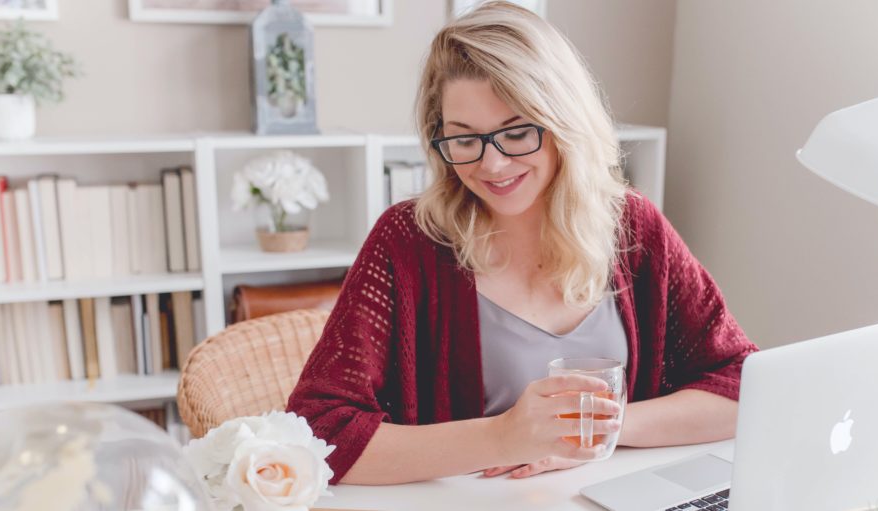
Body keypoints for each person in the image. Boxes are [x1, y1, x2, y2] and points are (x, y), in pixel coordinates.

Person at [286, 1, 757, 485]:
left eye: (516, 132)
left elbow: (744, 385)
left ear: (563, 123)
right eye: (464, 138)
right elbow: (317, 431)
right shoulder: (407, 242)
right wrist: (504, 436)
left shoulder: (633, 227)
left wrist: (596, 431)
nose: (491, 165)